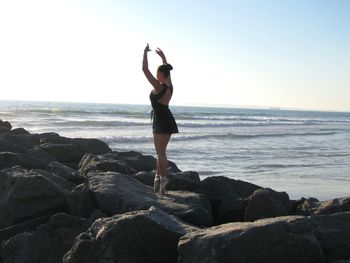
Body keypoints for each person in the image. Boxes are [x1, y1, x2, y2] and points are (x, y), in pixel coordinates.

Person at [142, 43, 179, 195]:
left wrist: (144, 53)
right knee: (162, 152)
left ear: (160, 75)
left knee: (160, 153)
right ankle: (158, 178)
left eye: (158, 73)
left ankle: (162, 180)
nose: (156, 75)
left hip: (160, 120)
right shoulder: (169, 86)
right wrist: (163, 58)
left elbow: (144, 69)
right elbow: (167, 70)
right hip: (168, 118)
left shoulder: (158, 86)